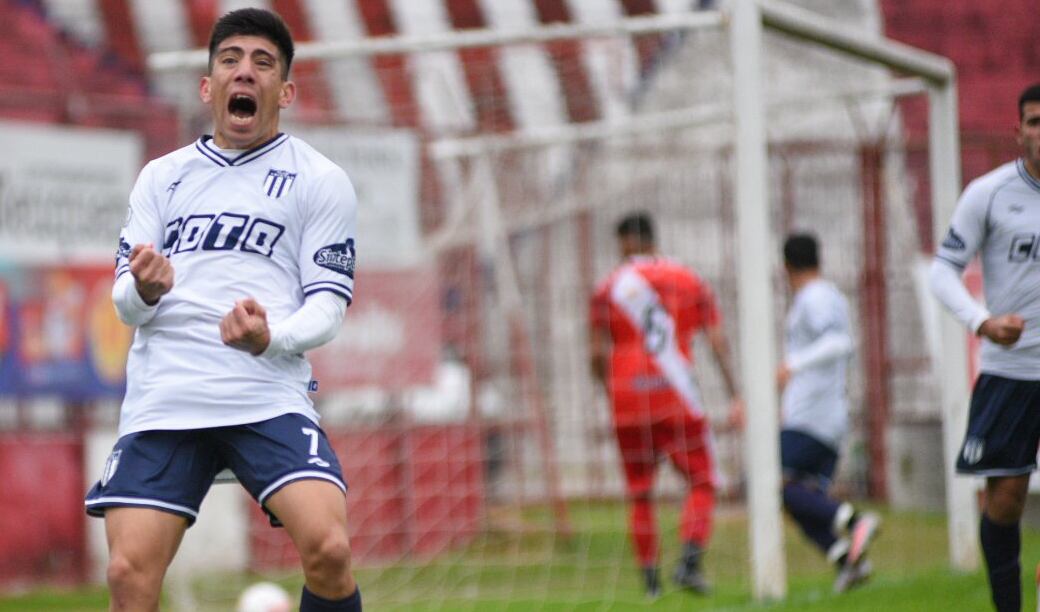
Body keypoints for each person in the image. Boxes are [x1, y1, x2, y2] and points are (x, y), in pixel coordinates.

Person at [83, 9, 362, 612]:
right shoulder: (161, 177)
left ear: (284, 91)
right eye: (231, 60)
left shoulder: (320, 179)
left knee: (331, 550)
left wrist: (271, 337)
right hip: (169, 394)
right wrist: (147, 290)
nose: (246, 72)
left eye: (263, 63)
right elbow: (125, 306)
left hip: (264, 392)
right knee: (129, 574)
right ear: (208, 87)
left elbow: (329, 307)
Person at [589, 211, 744, 598]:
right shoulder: (690, 279)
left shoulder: (609, 286)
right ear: (653, 238)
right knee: (702, 479)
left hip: (626, 398)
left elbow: (595, 354)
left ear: (625, 242)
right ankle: (690, 561)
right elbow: (716, 340)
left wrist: (609, 393)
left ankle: (651, 584)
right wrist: (735, 394)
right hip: (675, 395)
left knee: (640, 491)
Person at [929, 82, 1040, 612]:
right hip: (1010, 372)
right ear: (1017, 131)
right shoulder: (988, 194)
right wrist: (982, 322)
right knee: (1005, 501)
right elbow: (943, 270)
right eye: (1036, 121)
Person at [777, 233, 880, 594]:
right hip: (828, 414)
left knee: (776, 484)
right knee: (800, 499)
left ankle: (853, 522)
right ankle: (846, 560)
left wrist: (792, 364)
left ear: (785, 267)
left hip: (811, 415)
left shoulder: (814, 297)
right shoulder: (830, 295)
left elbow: (839, 342)